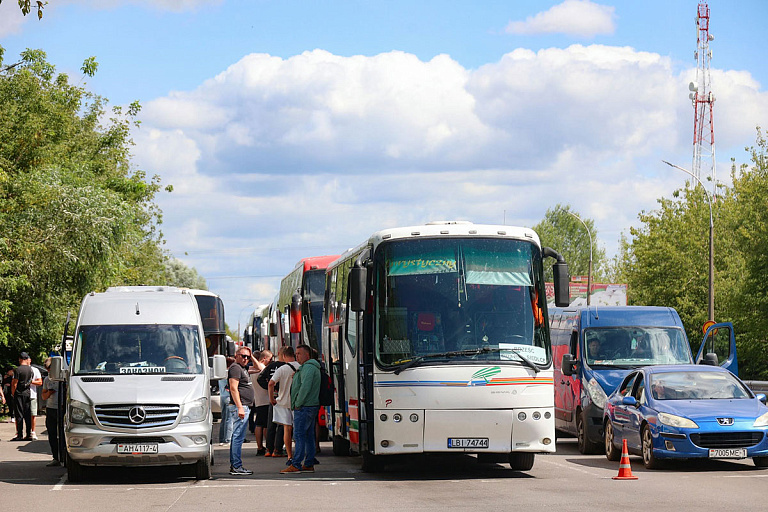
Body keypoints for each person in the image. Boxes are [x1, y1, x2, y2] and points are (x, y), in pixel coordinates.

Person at [281, 344, 321, 474]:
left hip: (304, 407)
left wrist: (298, 403)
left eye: (299, 353)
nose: (296, 356)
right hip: (309, 406)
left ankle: (296, 463)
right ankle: (308, 463)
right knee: (308, 435)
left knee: (298, 435)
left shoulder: (308, 368)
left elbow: (305, 387)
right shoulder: (307, 367)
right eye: (296, 353)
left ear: (307, 355)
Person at [269, 346, 299, 466]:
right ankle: (300, 453)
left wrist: (272, 399)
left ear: (284, 356)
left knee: (287, 429)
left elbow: (271, 383)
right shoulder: (300, 367)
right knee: (299, 430)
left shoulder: (282, 369)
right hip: (297, 403)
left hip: (283, 402)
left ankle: (290, 455)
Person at [228, 347, 255, 475]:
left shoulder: (243, 368)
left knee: (237, 437)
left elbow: (261, 368)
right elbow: (233, 388)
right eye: (243, 356)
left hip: (244, 406)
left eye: (247, 357)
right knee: (238, 437)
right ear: (236, 355)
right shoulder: (235, 368)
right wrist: (239, 407)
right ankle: (236, 466)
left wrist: (252, 356)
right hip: (241, 406)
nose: (245, 359)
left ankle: (235, 465)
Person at [249, 350, 272, 455]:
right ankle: (269, 446)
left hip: (258, 401)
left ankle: (259, 447)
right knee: (266, 426)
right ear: (264, 359)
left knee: (259, 424)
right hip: (266, 400)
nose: (271, 361)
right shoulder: (263, 369)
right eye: (270, 359)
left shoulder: (253, 371)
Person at [41, 358, 60, 466]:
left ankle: (64, 456)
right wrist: (49, 393)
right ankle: (55, 457)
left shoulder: (63, 378)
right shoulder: (47, 380)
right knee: (52, 433)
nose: (49, 372)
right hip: (51, 408)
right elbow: (43, 396)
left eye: (50, 369)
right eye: (47, 370)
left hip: (61, 409)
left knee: (62, 433)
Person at [11, 352, 34, 441]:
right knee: (27, 414)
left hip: (19, 394)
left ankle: (20, 434)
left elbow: (14, 383)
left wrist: (13, 393)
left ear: (20, 359)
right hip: (27, 393)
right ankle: (29, 434)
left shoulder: (17, 370)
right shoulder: (30, 369)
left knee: (19, 414)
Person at [218, 356, 235, 446]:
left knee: (224, 418)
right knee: (230, 419)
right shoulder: (229, 373)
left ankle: (222, 438)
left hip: (223, 396)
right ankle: (228, 439)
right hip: (229, 396)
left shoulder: (221, 373)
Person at [29, 359, 43, 440]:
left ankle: (33, 432)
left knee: (33, 414)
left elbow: (40, 382)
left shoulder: (35, 370)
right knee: (20, 415)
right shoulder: (19, 370)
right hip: (22, 395)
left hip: (32, 394)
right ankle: (19, 432)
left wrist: (31, 382)